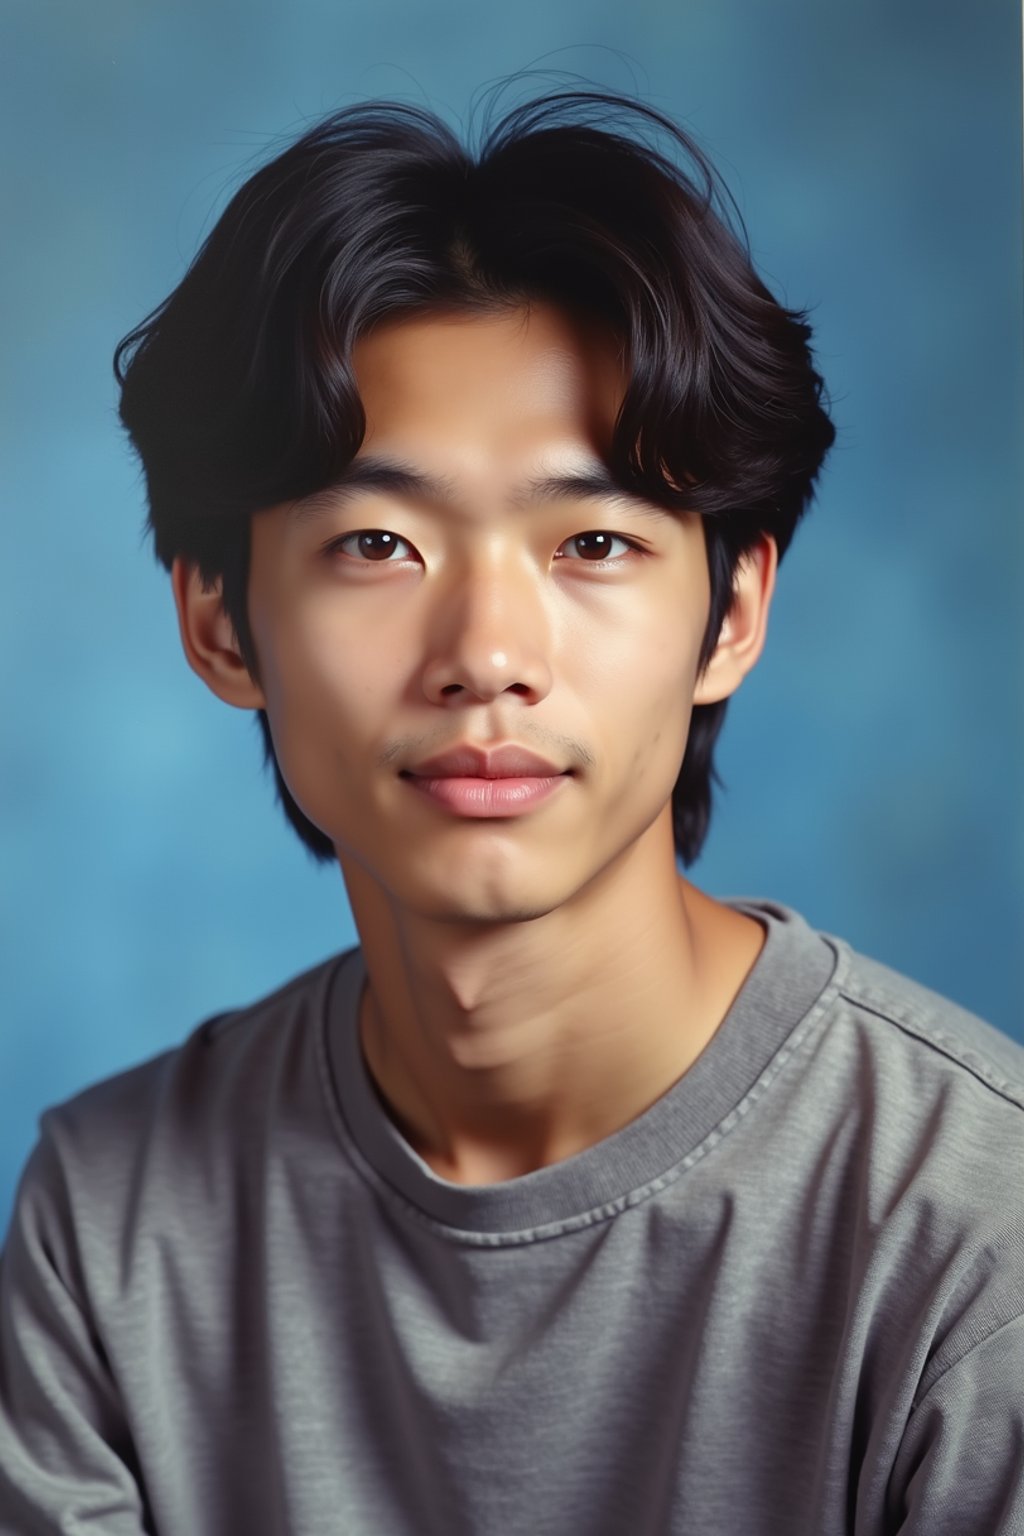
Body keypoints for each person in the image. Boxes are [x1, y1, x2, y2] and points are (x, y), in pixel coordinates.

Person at [0, 89, 1021, 1536]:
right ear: (221, 626)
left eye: (592, 541)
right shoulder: (112, 1224)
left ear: (732, 614)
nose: (487, 652)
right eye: (377, 543)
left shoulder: (975, 1232)